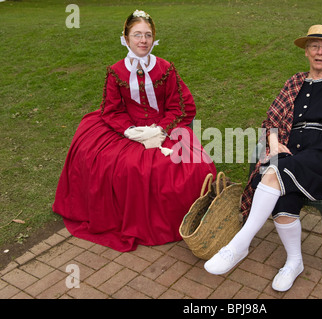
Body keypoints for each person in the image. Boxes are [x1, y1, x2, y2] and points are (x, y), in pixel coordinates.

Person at [204, 23, 322, 291]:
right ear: (305, 51)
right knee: (282, 203)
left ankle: (238, 246)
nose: (319, 52)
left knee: (273, 173)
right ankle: (295, 262)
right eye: (314, 46)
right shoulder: (294, 82)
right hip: (293, 150)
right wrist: (273, 142)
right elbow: (272, 119)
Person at [53, 10, 216, 252]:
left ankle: (184, 218)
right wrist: (130, 131)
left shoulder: (166, 69)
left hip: (164, 128)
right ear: (126, 38)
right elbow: (111, 110)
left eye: (148, 35)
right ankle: (132, 220)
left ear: (154, 38)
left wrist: (161, 129)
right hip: (127, 129)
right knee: (125, 166)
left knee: (189, 165)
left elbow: (180, 106)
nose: (143, 40)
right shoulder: (116, 72)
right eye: (137, 34)